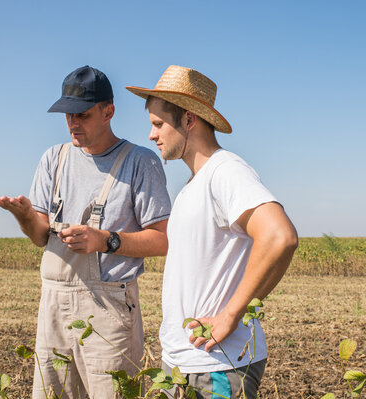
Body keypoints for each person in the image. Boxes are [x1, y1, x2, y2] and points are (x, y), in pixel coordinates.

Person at [0, 65, 171, 399]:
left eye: (81, 115)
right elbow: (41, 236)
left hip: (108, 306)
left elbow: (163, 239)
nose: (72, 124)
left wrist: (105, 240)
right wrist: (24, 216)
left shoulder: (139, 162)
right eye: (67, 115)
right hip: (53, 303)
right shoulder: (54, 158)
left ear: (108, 111)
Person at [126, 65, 298, 398]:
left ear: (189, 120)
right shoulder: (194, 184)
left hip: (216, 365)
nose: (151, 135)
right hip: (184, 364)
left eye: (159, 124)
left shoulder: (225, 171)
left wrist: (231, 314)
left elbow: (280, 236)